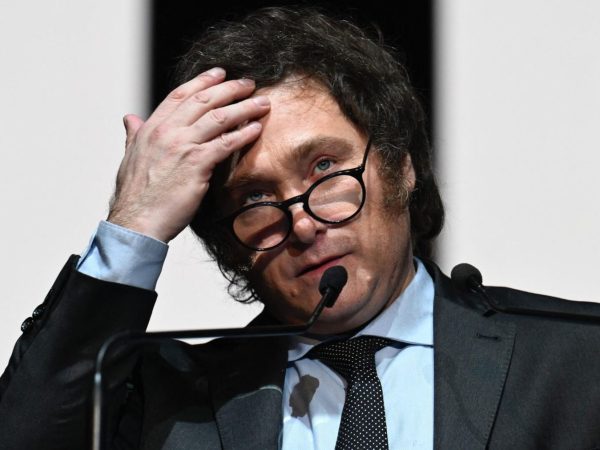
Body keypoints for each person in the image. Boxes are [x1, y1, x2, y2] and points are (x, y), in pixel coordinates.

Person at [1, 6, 600, 450]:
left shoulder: (574, 356)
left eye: (325, 168)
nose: (303, 223)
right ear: (229, 246)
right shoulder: (168, 400)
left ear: (401, 166)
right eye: (255, 198)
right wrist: (136, 224)